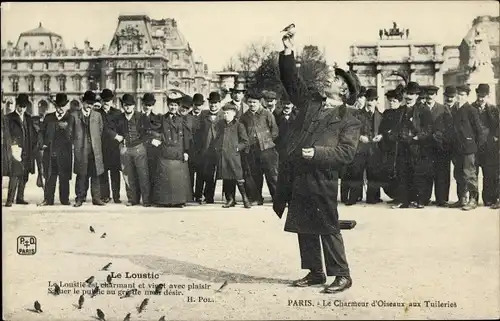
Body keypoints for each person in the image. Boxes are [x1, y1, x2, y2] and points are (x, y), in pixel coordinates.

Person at [275, 28, 361, 293]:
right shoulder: (311, 102)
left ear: (343, 90)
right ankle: (315, 273)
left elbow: (346, 153)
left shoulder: (350, 118)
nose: (329, 80)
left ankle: (342, 275)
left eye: (334, 79)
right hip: (299, 173)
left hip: (322, 177)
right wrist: (289, 51)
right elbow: (291, 82)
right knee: (304, 222)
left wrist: (318, 154)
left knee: (327, 225)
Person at [391, 82, 433, 209]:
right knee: (403, 173)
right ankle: (403, 201)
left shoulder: (424, 110)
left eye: (411, 94)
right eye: (407, 93)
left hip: (418, 147)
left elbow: (428, 128)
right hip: (403, 146)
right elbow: (395, 127)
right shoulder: (401, 110)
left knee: (418, 174)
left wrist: (418, 137)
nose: (408, 96)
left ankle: (420, 200)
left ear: (416, 96)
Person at [449, 85, 487, 210]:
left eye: (463, 94)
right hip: (456, 147)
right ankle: (462, 199)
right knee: (458, 173)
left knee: (469, 173)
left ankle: (472, 199)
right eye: (458, 94)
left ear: (467, 96)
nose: (460, 97)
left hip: (468, 148)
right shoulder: (454, 109)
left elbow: (479, 131)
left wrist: (474, 146)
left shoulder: (471, 110)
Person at [239, 89, 279, 205]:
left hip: (267, 149)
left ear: (260, 102)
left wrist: (268, 142)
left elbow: (275, 130)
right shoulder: (244, 117)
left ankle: (277, 198)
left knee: (272, 175)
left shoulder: (266, 114)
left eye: (254, 102)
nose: (252, 104)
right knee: (255, 175)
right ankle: (257, 198)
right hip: (252, 150)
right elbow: (242, 133)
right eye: (250, 102)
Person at [152, 92, 192, 207]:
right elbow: (156, 131)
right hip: (165, 151)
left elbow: (186, 136)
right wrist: (156, 138)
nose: (173, 107)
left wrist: (186, 151)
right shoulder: (162, 118)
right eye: (171, 105)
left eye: (175, 105)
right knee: (165, 178)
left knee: (177, 179)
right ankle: (164, 201)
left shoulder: (182, 119)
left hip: (178, 152)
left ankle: (178, 201)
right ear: (168, 105)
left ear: (178, 106)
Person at [345, 89, 384, 205]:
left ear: (376, 101)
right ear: (365, 100)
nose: (370, 102)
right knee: (356, 173)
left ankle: (372, 198)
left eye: (373, 100)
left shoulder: (380, 116)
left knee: (374, 173)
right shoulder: (357, 114)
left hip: (374, 149)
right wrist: (360, 137)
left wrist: (381, 136)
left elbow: (384, 131)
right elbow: (351, 130)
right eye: (368, 99)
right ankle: (353, 198)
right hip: (360, 148)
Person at [112, 94, 152, 207]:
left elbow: (148, 132)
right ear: (122, 106)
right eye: (125, 105)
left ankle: (146, 200)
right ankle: (132, 199)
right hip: (125, 149)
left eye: (130, 105)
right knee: (128, 175)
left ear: (134, 106)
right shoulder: (118, 118)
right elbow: (108, 129)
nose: (128, 107)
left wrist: (142, 143)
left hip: (139, 148)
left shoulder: (141, 116)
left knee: (143, 174)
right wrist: (116, 136)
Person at [71, 91, 106, 207]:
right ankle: (79, 198)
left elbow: (100, 131)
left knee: (96, 174)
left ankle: (96, 198)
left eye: (92, 104)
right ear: (83, 102)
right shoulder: (75, 115)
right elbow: (70, 133)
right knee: (82, 174)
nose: (89, 106)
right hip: (81, 149)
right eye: (87, 103)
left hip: (94, 149)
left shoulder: (97, 115)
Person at [38, 93, 73, 206]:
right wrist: (42, 144)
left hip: (64, 152)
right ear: (56, 106)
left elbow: (74, 134)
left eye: (63, 106)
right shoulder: (49, 117)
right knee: (50, 177)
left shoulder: (70, 118)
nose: (61, 108)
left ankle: (64, 199)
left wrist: (67, 128)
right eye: (59, 106)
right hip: (50, 151)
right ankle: (48, 199)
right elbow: (41, 132)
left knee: (64, 177)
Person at [214, 103, 251, 209]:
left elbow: (245, 141)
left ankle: (245, 198)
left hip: (234, 156)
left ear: (234, 114)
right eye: (224, 113)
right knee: (226, 177)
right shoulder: (220, 124)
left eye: (228, 113)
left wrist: (237, 148)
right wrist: (218, 148)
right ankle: (230, 199)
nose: (226, 115)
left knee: (238, 177)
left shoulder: (239, 125)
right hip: (223, 155)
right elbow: (217, 138)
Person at [5, 94, 37, 207]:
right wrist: (12, 147)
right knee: (14, 175)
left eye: (24, 106)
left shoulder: (28, 118)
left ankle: (20, 198)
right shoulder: (9, 118)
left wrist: (34, 146)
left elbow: (32, 133)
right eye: (20, 106)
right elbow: (6, 134)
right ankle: (9, 199)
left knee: (24, 175)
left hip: (27, 150)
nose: (22, 108)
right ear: (16, 105)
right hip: (15, 150)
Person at [471, 84, 499, 207]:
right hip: (474, 146)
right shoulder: (471, 108)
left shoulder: (493, 109)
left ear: (488, 96)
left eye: (483, 96)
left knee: (489, 173)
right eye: (479, 95)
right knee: (473, 173)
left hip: (489, 147)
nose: (480, 99)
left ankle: (488, 198)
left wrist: (495, 139)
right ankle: (473, 199)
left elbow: (497, 127)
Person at [195, 92, 224, 204]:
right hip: (204, 149)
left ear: (219, 103)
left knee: (212, 175)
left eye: (216, 103)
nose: (213, 105)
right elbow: (197, 131)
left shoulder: (222, 115)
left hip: (216, 149)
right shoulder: (203, 114)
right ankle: (198, 195)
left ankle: (209, 196)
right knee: (201, 173)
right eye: (211, 103)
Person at [428, 85, 454, 207]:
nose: (429, 97)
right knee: (427, 172)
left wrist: (443, 140)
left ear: (435, 96)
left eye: (432, 94)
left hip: (441, 146)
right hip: (427, 146)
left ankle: (442, 199)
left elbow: (449, 128)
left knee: (442, 173)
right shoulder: (421, 108)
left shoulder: (443, 109)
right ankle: (425, 197)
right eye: (427, 94)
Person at [378, 88, 404, 203]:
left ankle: (400, 196)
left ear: (399, 101)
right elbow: (382, 128)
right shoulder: (387, 113)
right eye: (390, 101)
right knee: (388, 171)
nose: (391, 103)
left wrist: (391, 133)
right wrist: (384, 134)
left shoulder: (403, 113)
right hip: (388, 147)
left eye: (394, 101)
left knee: (399, 171)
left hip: (399, 147)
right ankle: (393, 196)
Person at [97, 88, 122, 204]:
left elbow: (121, 128)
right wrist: (114, 134)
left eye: (109, 101)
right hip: (102, 146)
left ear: (112, 101)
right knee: (103, 173)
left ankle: (116, 196)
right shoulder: (97, 114)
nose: (106, 103)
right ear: (101, 101)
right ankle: (105, 195)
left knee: (115, 172)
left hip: (115, 147)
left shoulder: (117, 113)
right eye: (104, 101)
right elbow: (102, 128)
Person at [189, 93, 205, 202]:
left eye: (199, 105)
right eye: (196, 104)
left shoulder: (205, 116)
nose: (197, 107)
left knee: (201, 174)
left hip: (201, 150)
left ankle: (199, 195)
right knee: (189, 174)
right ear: (192, 104)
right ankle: (189, 194)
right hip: (190, 150)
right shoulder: (187, 116)